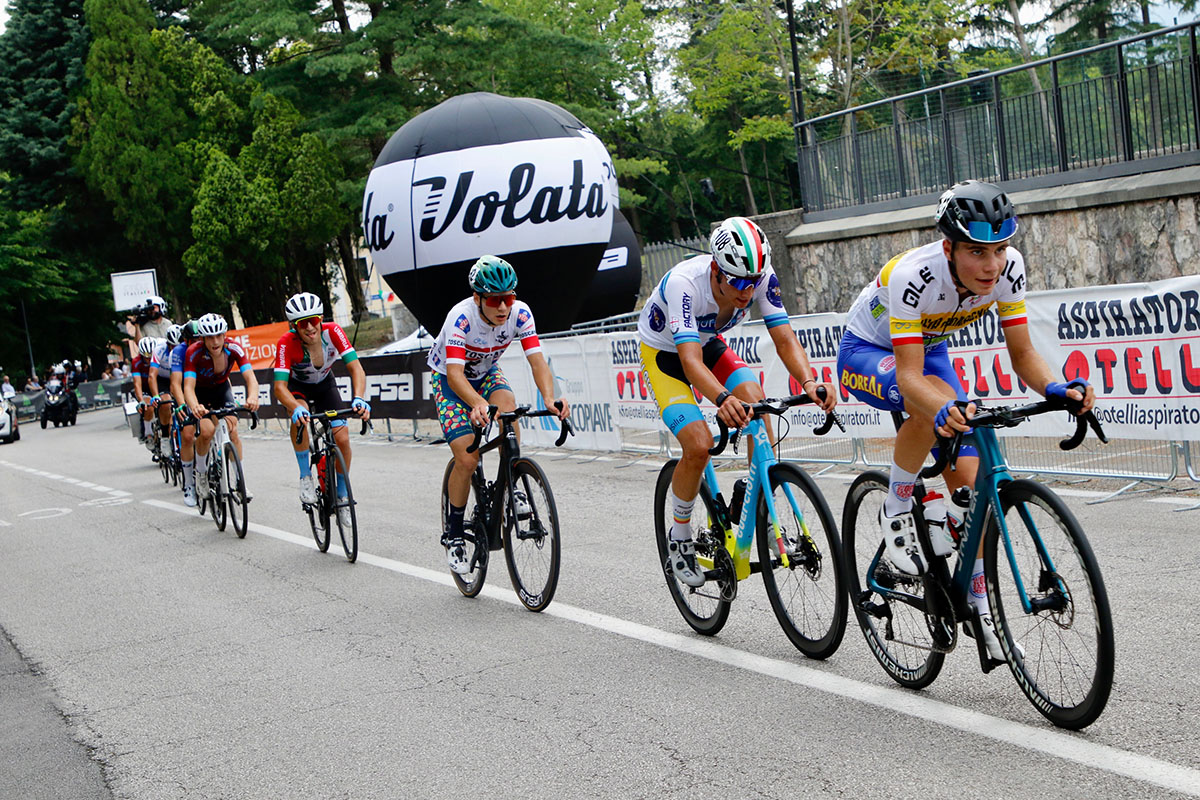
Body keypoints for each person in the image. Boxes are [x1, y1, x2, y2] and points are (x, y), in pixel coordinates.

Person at [836, 179, 1096, 660]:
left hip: (929, 349)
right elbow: (910, 377)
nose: (991, 265)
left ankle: (979, 604)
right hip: (869, 353)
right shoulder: (915, 275)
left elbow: (1022, 355)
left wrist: (1058, 388)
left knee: (975, 491)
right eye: (977, 251)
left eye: (998, 249)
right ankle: (896, 509)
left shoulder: (1008, 270)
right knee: (927, 405)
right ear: (949, 247)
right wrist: (941, 408)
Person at [637, 216, 836, 588]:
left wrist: (809, 381)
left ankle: (752, 483)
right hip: (666, 353)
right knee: (697, 445)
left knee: (757, 403)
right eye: (738, 283)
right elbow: (689, 363)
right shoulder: (685, 285)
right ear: (715, 270)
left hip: (708, 342)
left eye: (754, 282)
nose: (747, 291)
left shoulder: (759, 275)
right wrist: (721, 397)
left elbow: (784, 338)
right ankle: (679, 537)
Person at [428, 255, 569, 575]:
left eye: (509, 298)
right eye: (495, 299)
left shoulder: (521, 314)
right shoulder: (460, 318)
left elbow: (537, 361)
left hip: (487, 373)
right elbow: (454, 375)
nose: (503, 307)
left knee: (509, 411)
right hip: (451, 381)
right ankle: (454, 534)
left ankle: (513, 484)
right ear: (478, 298)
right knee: (467, 458)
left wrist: (549, 397)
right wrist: (476, 402)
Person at [273, 292, 370, 526]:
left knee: (343, 438)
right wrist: (294, 407)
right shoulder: (286, 343)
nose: (309, 327)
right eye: (302, 323)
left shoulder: (333, 331)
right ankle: (305, 475)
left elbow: (356, 369)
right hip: (298, 389)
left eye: (313, 320)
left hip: (326, 385)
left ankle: (343, 494)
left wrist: (358, 398)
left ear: (321, 318)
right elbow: (279, 387)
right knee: (301, 419)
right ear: (294, 327)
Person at [182, 313, 260, 499]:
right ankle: (201, 473)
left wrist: (253, 397)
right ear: (202, 338)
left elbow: (251, 378)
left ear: (225, 335)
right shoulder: (193, 352)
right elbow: (188, 386)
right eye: (210, 337)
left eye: (219, 336)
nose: (215, 341)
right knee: (207, 431)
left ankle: (240, 482)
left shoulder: (234, 348)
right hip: (199, 393)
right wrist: (195, 406)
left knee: (232, 430)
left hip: (221, 389)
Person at [167, 322, 201, 505]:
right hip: (184, 391)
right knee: (187, 435)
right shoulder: (178, 352)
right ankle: (189, 483)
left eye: (199, 339)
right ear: (186, 341)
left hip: (203, 389)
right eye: (193, 340)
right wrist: (181, 405)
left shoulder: (208, 347)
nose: (197, 343)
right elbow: (175, 383)